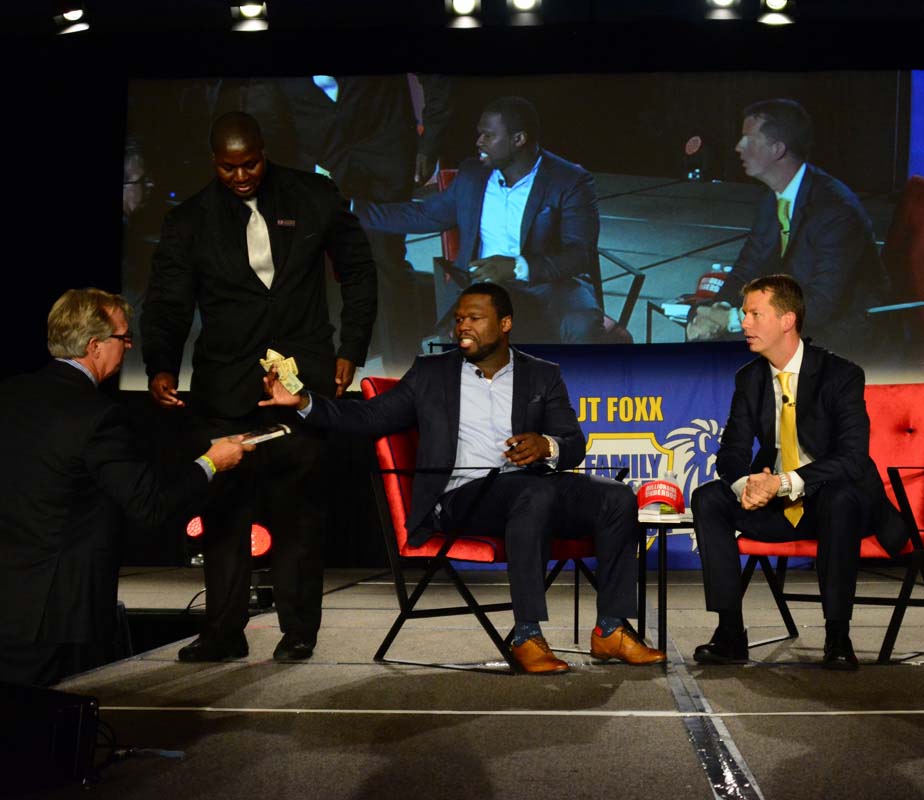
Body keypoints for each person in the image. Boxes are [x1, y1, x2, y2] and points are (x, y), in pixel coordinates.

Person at [260, 282, 665, 674]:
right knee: (533, 493)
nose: (462, 327)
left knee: (616, 497)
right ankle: (526, 634)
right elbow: (369, 416)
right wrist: (304, 402)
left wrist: (546, 445)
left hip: (532, 487)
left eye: (475, 318)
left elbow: (573, 443)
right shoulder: (431, 372)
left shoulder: (541, 375)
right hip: (462, 498)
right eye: (458, 319)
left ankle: (611, 628)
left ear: (505, 324)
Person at [141, 111, 376, 663]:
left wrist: (350, 349)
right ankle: (224, 631)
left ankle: (298, 632)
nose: (241, 175)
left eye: (250, 164)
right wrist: (161, 365)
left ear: (264, 153)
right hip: (224, 386)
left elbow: (359, 270)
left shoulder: (313, 195)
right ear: (214, 162)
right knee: (223, 511)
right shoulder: (189, 219)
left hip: (301, 381)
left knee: (300, 510)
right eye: (229, 167)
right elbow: (168, 302)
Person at [0, 289, 252, 687]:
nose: (129, 345)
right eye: (123, 337)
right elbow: (149, 504)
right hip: (46, 604)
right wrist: (212, 462)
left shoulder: (10, 392)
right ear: (94, 346)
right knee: (34, 713)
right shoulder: (97, 415)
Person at [690, 275, 907, 671]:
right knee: (708, 498)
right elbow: (732, 452)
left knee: (840, 498)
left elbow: (852, 458)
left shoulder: (840, 375)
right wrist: (748, 486)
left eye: (755, 314)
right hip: (777, 505)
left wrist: (784, 482)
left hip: (834, 503)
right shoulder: (749, 378)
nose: (744, 322)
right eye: (744, 314)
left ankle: (837, 635)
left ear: (787, 320)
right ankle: (730, 632)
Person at [358, 95, 609, 345]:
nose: (479, 142)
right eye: (480, 134)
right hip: (488, 286)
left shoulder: (569, 180)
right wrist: (350, 211)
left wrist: (518, 267)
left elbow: (579, 254)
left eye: (488, 136)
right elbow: (423, 214)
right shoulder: (473, 175)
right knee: (492, 325)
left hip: (553, 285)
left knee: (582, 325)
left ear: (518, 139)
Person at [278, 74, 453, 373]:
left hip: (385, 164)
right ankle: (329, 369)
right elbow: (272, 115)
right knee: (313, 270)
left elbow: (438, 80)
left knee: (387, 265)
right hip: (317, 167)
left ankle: (402, 371)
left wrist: (428, 145)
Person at [690, 99, 890, 360]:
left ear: (777, 149)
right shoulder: (772, 199)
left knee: (728, 341)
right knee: (700, 322)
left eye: (748, 139)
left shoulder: (835, 209)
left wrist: (731, 319)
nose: (738, 147)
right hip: (795, 312)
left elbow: (821, 304)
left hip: (842, 328)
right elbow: (746, 267)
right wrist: (719, 307)